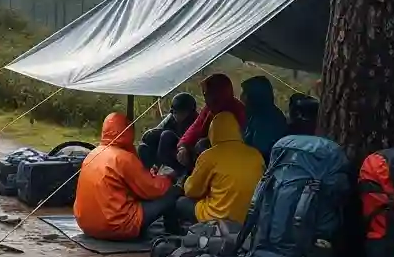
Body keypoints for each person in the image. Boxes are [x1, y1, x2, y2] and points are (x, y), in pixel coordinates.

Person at [74, 112, 179, 241]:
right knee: (172, 193)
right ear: (128, 131)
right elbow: (152, 190)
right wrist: (166, 177)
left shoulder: (92, 154)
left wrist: (149, 176)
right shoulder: (124, 159)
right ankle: (174, 232)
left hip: (86, 224)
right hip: (116, 226)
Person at [173, 111, 265, 229]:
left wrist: (185, 182)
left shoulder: (209, 156)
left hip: (218, 219)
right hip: (249, 218)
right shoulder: (256, 154)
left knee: (181, 203)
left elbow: (192, 191)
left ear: (212, 132)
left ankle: (185, 236)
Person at [175, 73, 246, 170]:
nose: (205, 98)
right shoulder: (209, 109)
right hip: (205, 154)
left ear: (217, 93)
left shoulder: (238, 111)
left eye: (206, 93)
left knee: (202, 145)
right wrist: (183, 146)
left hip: (228, 157)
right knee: (167, 138)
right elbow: (196, 127)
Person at [138, 92, 198, 173]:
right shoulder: (171, 118)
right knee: (145, 145)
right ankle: (148, 174)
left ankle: (169, 171)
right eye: (174, 112)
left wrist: (184, 147)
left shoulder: (197, 122)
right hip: (165, 153)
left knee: (166, 135)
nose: (175, 115)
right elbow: (152, 134)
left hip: (183, 158)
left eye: (178, 112)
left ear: (188, 112)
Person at [241, 75, 288, 162]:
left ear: (255, 96)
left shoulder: (268, 120)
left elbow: (259, 153)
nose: (241, 97)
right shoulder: (257, 114)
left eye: (245, 93)